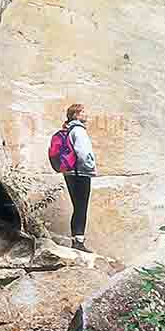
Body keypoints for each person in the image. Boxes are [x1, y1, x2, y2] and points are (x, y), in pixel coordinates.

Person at [61, 103, 96, 251]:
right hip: (80, 173)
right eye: (83, 112)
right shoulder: (79, 130)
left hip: (69, 172)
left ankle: (76, 240)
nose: (86, 114)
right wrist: (90, 167)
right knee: (82, 207)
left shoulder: (68, 130)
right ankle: (79, 242)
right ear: (76, 115)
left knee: (77, 207)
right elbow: (83, 152)